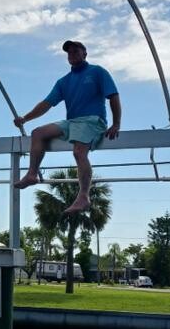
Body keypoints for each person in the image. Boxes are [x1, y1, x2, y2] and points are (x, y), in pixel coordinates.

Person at [13, 40, 121, 213]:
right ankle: (32, 174)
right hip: (72, 122)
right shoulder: (64, 81)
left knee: (79, 151)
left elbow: (113, 96)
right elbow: (47, 103)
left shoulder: (97, 72)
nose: (72, 54)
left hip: (93, 120)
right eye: (69, 52)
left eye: (75, 51)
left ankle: (84, 196)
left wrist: (116, 124)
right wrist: (25, 118)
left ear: (85, 53)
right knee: (38, 133)